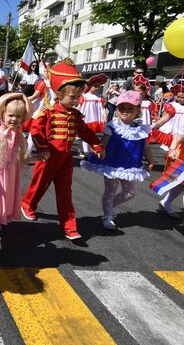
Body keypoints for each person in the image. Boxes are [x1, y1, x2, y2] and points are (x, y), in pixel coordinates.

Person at [21, 58, 105, 240]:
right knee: (39, 186)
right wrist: (42, 148)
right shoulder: (48, 111)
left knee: (65, 192)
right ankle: (28, 204)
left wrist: (96, 144)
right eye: (72, 97)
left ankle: (69, 226)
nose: (76, 100)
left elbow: (84, 130)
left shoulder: (75, 115)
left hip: (65, 159)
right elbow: (35, 130)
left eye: (77, 96)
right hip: (48, 157)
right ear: (59, 94)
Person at [81, 91, 154, 230]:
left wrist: (150, 161)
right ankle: (107, 215)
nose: (125, 112)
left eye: (130, 108)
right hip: (112, 165)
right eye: (122, 108)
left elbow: (145, 147)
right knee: (110, 190)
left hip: (131, 166)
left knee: (130, 193)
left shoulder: (141, 129)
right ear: (117, 109)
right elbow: (103, 144)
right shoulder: (112, 126)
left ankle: (111, 204)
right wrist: (97, 150)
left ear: (138, 110)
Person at [0, 93, 33, 250]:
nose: (14, 119)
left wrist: (38, 156)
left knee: (6, 200)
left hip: (11, 174)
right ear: (2, 115)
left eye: (18, 116)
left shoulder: (19, 135)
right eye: (10, 115)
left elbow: (22, 156)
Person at [78, 74, 107, 156]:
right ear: (90, 86)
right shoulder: (84, 96)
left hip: (94, 118)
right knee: (84, 135)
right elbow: (79, 106)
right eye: (95, 86)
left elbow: (102, 108)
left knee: (91, 135)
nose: (97, 88)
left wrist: (104, 115)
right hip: (86, 118)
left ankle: (84, 149)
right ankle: (85, 151)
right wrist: (77, 115)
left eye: (98, 86)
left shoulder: (99, 97)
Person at [152, 84, 184, 150]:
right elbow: (165, 117)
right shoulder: (172, 105)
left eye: (182, 97)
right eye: (178, 97)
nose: (180, 99)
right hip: (174, 128)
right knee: (174, 147)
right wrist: (156, 125)